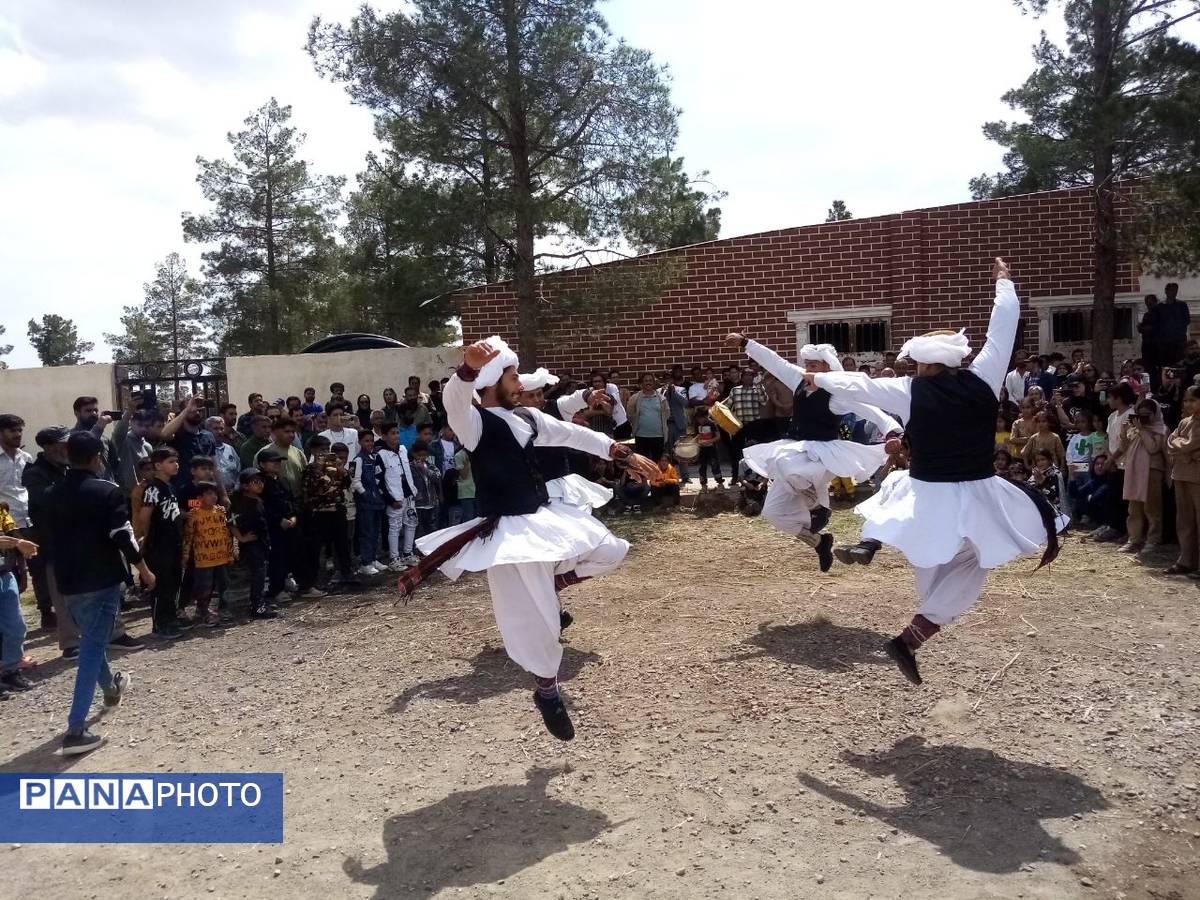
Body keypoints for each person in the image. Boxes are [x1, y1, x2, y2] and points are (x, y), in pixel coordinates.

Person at [808, 259, 1062, 685]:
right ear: (952, 360)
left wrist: (817, 380)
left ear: (922, 363)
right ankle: (912, 633)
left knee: (925, 543)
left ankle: (880, 560)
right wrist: (1004, 282)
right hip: (979, 490)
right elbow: (1004, 325)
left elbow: (860, 385)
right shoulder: (985, 376)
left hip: (928, 493)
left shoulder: (909, 391)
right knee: (973, 561)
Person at [412, 336, 658, 741]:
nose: (518, 382)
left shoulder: (526, 416)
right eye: (511, 376)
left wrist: (621, 452)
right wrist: (467, 370)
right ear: (492, 382)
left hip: (543, 516)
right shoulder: (473, 422)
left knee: (611, 549)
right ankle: (547, 691)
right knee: (540, 624)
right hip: (510, 530)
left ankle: (556, 582)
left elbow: (572, 435)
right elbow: (454, 400)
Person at [721, 336, 900, 571]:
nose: (809, 369)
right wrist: (746, 343)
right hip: (795, 448)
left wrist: (892, 432)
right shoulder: (799, 380)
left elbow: (872, 411)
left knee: (784, 464)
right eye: (807, 364)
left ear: (827, 367)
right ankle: (819, 542)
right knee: (773, 512)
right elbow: (775, 362)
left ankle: (819, 508)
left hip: (821, 454)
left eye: (814, 365)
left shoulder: (837, 393)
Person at [45, 433, 149, 754]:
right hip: (100, 580)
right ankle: (76, 729)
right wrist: (143, 569)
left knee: (93, 639)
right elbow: (122, 535)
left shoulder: (50, 494)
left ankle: (111, 689)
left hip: (68, 581)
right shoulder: (106, 492)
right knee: (91, 648)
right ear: (97, 458)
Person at [518, 369, 614, 514]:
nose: (537, 399)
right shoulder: (513, 418)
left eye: (539, 394)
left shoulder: (556, 407)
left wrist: (587, 395)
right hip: (529, 485)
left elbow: (573, 400)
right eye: (531, 396)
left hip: (558, 482)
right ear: (518, 399)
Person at [0, 413, 47, 631]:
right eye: (12, 431)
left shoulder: (26, 458)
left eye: (20, 430)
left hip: (30, 519)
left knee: (40, 568)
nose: (18, 435)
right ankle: (11, 624)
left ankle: (46, 613)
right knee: (13, 574)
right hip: (8, 525)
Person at [299, 444, 354, 593]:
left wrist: (340, 469)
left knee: (343, 546)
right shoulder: (310, 469)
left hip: (337, 511)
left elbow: (347, 483)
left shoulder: (336, 467)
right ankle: (315, 582)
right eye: (321, 450)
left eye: (326, 450)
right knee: (317, 550)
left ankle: (346, 577)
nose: (324, 454)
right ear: (314, 452)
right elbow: (313, 490)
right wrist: (321, 470)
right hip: (319, 513)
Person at [181, 482, 235, 627]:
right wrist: (185, 556)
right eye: (209, 494)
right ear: (200, 497)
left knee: (224, 585)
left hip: (222, 557)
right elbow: (188, 537)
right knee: (204, 587)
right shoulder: (194, 515)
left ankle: (224, 609)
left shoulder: (221, 512)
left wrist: (231, 553)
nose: (213, 497)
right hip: (204, 559)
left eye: (215, 493)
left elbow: (226, 534)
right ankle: (203, 612)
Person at [1119, 397, 1167, 553]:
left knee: (1152, 507)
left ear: (1155, 414)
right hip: (1134, 470)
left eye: (1148, 414)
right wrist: (1124, 431)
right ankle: (1134, 538)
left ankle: (1153, 540)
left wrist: (1142, 430)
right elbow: (1124, 447)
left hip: (1152, 470)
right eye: (1141, 414)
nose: (1144, 418)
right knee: (1134, 508)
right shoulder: (1134, 428)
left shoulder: (1161, 429)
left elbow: (1153, 448)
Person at [1091, 382, 1137, 543]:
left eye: (1111, 397)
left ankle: (1127, 531)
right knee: (1113, 497)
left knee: (1125, 500)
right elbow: (1110, 440)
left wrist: (1111, 459)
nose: (1108, 400)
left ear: (1119, 398)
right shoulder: (1112, 416)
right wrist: (1109, 458)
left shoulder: (1131, 415)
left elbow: (1126, 443)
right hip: (1113, 463)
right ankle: (1114, 527)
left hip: (1126, 463)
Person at [229, 468, 277, 618]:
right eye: (255, 482)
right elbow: (231, 523)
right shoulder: (242, 503)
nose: (260, 484)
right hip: (252, 546)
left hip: (261, 544)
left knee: (261, 575)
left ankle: (258, 602)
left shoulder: (257, 500)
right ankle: (257, 607)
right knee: (257, 576)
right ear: (245, 486)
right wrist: (241, 538)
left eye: (261, 481)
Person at [257, 446, 302, 604]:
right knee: (277, 558)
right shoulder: (260, 483)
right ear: (262, 464)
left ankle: (291, 581)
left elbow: (291, 500)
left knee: (292, 554)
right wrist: (278, 520)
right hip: (272, 528)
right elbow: (263, 507)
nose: (276, 464)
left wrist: (293, 516)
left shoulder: (282, 480)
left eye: (278, 461)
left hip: (289, 524)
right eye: (272, 462)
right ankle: (276, 589)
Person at [0, 504, 36, 696]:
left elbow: (13, 533)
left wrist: (21, 569)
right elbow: (13, 541)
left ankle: (10, 671)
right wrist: (17, 543)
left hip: (5, 574)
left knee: (15, 626)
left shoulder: (2, 510)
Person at [378, 422, 418, 570]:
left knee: (411, 523)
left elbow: (407, 471)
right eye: (392, 433)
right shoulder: (381, 455)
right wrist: (389, 499)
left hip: (408, 494)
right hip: (395, 497)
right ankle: (394, 558)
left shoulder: (402, 449)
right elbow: (380, 481)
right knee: (395, 527)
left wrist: (413, 490)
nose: (396, 436)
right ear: (384, 436)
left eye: (397, 432)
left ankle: (407, 553)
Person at [160, 396, 219, 488]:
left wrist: (223, 494)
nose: (197, 412)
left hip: (204, 491)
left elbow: (215, 466)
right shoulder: (176, 434)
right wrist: (187, 410)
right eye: (193, 409)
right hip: (182, 490)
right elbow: (164, 434)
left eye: (199, 410)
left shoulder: (208, 436)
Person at [349, 430, 386, 574]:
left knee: (376, 531)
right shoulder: (358, 459)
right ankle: (365, 562)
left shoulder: (373, 457)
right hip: (366, 502)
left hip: (377, 500)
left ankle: (373, 558)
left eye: (371, 441)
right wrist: (366, 495)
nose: (369, 443)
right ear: (359, 442)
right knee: (367, 531)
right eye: (366, 441)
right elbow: (355, 481)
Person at [723, 367, 769, 475]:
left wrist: (759, 385)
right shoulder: (735, 390)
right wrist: (715, 412)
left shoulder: (758, 388)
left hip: (754, 424)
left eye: (750, 376)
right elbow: (727, 405)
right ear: (741, 377)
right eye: (745, 375)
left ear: (753, 378)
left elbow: (764, 401)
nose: (748, 377)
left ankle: (758, 475)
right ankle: (735, 475)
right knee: (736, 451)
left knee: (755, 450)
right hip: (739, 425)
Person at [257, 418, 307, 496]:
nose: (291, 435)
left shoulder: (298, 453)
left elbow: (305, 476)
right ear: (275, 432)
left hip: (297, 500)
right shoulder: (265, 452)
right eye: (287, 432)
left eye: (293, 432)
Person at [627, 373, 669, 462]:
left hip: (658, 436)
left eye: (650, 380)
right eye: (646, 381)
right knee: (643, 463)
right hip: (641, 436)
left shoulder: (661, 398)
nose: (648, 383)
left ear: (654, 383)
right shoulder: (634, 398)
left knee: (657, 463)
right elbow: (629, 415)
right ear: (641, 383)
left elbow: (667, 414)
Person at [408, 439, 442, 538]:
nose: (422, 458)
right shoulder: (409, 468)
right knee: (418, 529)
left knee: (430, 528)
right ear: (414, 454)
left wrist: (424, 469)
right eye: (419, 455)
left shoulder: (430, 466)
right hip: (417, 504)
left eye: (424, 455)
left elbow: (437, 477)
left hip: (431, 503)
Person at [205, 416, 241, 493]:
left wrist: (236, 488)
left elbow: (239, 471)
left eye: (221, 429)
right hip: (211, 493)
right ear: (207, 430)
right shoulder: (204, 449)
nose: (220, 432)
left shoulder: (230, 449)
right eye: (215, 429)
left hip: (232, 492)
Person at [693, 405, 724, 489]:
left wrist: (709, 441)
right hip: (702, 449)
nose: (700, 420)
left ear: (706, 416)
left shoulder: (712, 424)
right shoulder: (697, 425)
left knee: (715, 465)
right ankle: (703, 484)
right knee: (702, 466)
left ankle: (720, 483)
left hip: (711, 449)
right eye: (698, 419)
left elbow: (718, 437)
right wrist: (696, 441)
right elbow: (697, 436)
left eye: (701, 418)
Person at [451, 445, 477, 525]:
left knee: (479, 519)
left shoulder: (478, 453)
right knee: (468, 519)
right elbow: (463, 475)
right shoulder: (459, 455)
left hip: (478, 491)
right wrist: (468, 460)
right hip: (466, 492)